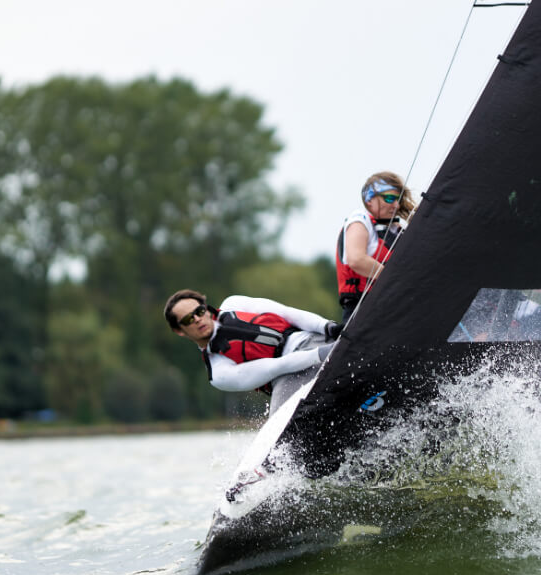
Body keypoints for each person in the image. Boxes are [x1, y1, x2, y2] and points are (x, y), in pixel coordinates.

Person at [163, 289, 342, 412]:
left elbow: (287, 313)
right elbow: (275, 367)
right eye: (187, 319)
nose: (197, 319)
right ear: (179, 331)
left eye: (199, 311)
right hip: (287, 379)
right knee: (279, 432)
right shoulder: (219, 373)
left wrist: (328, 327)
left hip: (309, 340)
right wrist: (322, 353)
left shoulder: (234, 303)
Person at [336, 171, 416, 323]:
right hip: (363, 312)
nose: (396, 205)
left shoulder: (397, 229)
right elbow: (356, 260)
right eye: (389, 198)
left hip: (396, 310)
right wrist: (396, 280)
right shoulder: (360, 219)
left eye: (398, 199)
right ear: (370, 200)